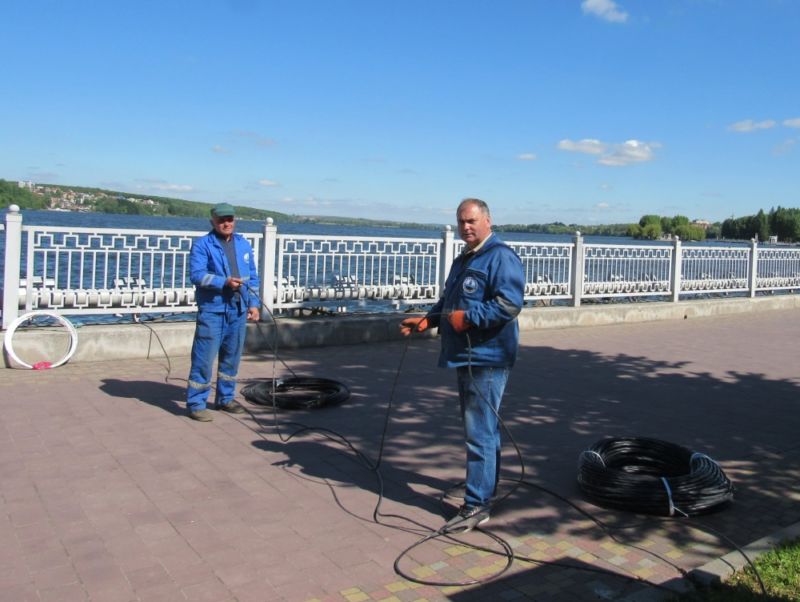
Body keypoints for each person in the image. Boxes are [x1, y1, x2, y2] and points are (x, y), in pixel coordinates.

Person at [400, 198, 525, 532]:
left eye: (471, 221)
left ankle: (476, 504)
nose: (465, 227)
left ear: (487, 220)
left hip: (487, 356)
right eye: (461, 222)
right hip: (466, 355)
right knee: (484, 430)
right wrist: (428, 321)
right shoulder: (465, 259)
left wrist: (468, 319)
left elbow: (509, 305)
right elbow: (450, 301)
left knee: (479, 432)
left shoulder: (500, 257)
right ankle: (485, 491)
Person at [186, 202, 261, 421]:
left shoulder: (243, 244)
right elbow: (197, 275)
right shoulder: (202, 245)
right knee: (204, 359)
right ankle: (196, 403)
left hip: (238, 310)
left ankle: (225, 399)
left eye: (229, 219)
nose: (226, 223)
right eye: (221, 220)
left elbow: (253, 277)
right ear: (213, 222)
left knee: (231, 359)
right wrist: (224, 282)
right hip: (213, 310)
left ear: (234, 220)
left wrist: (254, 305)